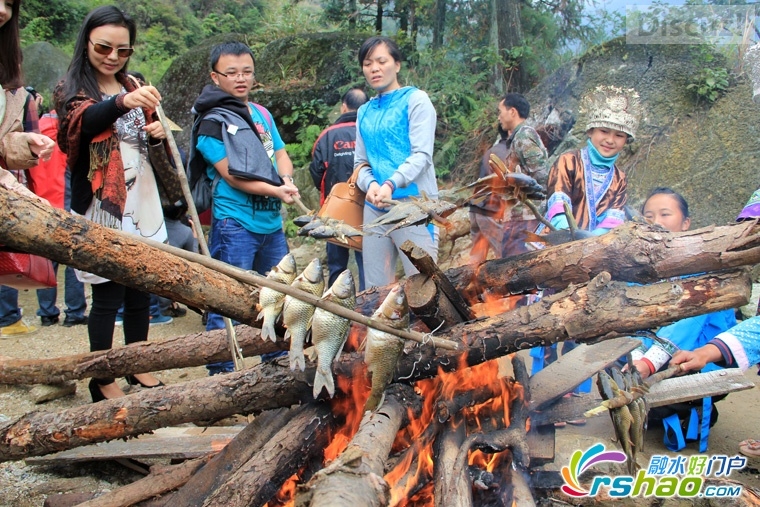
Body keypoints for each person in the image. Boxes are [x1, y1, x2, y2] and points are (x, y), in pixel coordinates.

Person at [55, 5, 171, 401]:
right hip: (102, 203)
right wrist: (124, 101)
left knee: (140, 289)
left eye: (123, 51)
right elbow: (81, 126)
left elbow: (151, 141)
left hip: (142, 198)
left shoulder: (132, 81)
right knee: (107, 293)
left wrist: (156, 131)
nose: (113, 57)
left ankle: (136, 366)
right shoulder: (71, 88)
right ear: (86, 42)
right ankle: (102, 377)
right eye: (104, 47)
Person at [188, 41, 299, 375]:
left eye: (247, 72)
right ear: (215, 76)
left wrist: (288, 177)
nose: (240, 78)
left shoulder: (261, 115)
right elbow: (231, 176)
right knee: (226, 301)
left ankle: (274, 367)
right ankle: (219, 376)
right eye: (231, 72)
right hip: (234, 224)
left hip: (271, 225)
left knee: (278, 297)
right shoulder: (211, 122)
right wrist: (278, 190)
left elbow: (278, 152)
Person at [531, 85, 643, 415]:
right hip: (558, 250)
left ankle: (574, 397)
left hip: (594, 255)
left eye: (619, 135)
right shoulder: (567, 161)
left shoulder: (619, 177)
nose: (610, 139)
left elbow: (613, 218)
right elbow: (558, 202)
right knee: (549, 319)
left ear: (626, 141)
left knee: (583, 321)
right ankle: (543, 394)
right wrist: (569, 239)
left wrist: (597, 247)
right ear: (591, 130)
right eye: (605, 131)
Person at [625, 188, 736, 451]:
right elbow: (634, 318)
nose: (657, 221)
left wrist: (648, 362)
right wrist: (634, 355)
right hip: (657, 356)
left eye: (665, 214)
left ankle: (689, 410)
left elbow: (690, 321)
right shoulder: (645, 269)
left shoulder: (704, 267)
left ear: (686, 223)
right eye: (649, 215)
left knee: (643, 377)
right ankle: (659, 405)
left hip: (702, 361)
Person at [354, 36, 439, 288]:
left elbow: (422, 156)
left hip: (414, 206)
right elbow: (360, 162)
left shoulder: (416, 100)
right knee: (375, 288)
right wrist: (369, 184)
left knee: (423, 284)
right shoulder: (364, 111)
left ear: (397, 65)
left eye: (382, 61)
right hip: (375, 209)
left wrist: (390, 183)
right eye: (368, 63)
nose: (374, 68)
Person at [0, 0, 56, 337]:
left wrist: (27, 143)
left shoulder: (9, 81)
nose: (2, 10)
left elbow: (3, 143)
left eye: (9, 3)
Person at [25, 106, 89, 327]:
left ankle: (47, 313)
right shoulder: (66, 135)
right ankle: (75, 312)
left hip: (38, 204)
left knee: (45, 260)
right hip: (65, 203)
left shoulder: (31, 133)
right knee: (72, 261)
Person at [470, 93, 548, 262]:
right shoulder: (517, 138)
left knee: (517, 268)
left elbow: (541, 176)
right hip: (516, 217)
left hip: (525, 218)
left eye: (501, 111)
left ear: (512, 112)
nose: (499, 117)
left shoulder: (525, 136)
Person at [309, 87, 368, 291]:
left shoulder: (327, 136)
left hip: (334, 213)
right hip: (367, 211)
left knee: (336, 266)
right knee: (367, 265)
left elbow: (316, 172)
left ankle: (336, 312)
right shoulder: (370, 132)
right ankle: (367, 307)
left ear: (344, 107)